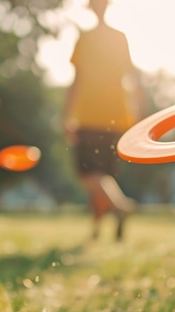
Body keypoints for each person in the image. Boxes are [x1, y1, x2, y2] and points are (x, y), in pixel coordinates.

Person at [62, 0, 146, 241]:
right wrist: (138, 112)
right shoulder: (119, 37)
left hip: (90, 114)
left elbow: (76, 79)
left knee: (90, 175)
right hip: (117, 116)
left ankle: (119, 208)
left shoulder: (85, 39)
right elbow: (132, 77)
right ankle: (96, 231)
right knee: (103, 175)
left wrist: (67, 115)